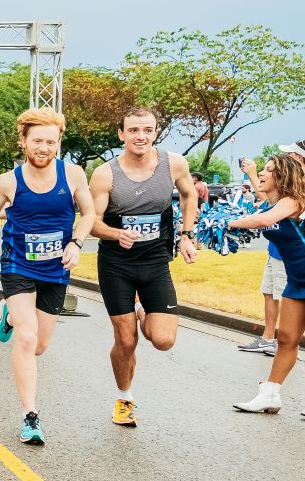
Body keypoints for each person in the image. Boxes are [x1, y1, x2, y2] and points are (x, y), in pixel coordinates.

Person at [0, 107, 95, 445]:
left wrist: (77, 242)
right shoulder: (10, 180)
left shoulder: (73, 175)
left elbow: (89, 213)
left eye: (51, 142)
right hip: (17, 265)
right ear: (23, 141)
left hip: (56, 267)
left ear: (58, 144)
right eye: (37, 140)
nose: (44, 147)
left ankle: (9, 316)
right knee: (27, 338)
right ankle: (30, 416)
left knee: (39, 345)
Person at [88, 107, 199, 427]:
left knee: (163, 341)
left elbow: (189, 195)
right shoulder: (105, 174)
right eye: (134, 130)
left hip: (155, 261)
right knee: (126, 341)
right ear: (122, 134)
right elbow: (92, 222)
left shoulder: (174, 163)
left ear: (155, 133)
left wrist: (186, 235)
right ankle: (124, 399)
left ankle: (141, 311)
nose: (141, 136)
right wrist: (115, 233)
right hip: (116, 264)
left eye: (147, 130)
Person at [232, 155, 305, 420]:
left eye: (268, 170)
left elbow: (263, 221)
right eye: (261, 170)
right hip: (297, 279)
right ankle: (270, 394)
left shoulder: (292, 202)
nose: (262, 174)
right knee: (286, 338)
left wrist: (226, 223)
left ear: (282, 176)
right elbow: (261, 213)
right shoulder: (271, 203)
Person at [237, 139, 305, 355]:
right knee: (269, 293)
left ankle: (285, 341)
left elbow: (270, 211)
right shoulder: (284, 182)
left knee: (285, 296)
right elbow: (267, 203)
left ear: (298, 158)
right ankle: (268, 338)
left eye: (289, 154)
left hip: (293, 256)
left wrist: (254, 175)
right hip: (277, 248)